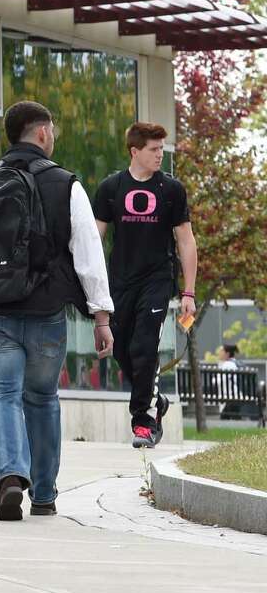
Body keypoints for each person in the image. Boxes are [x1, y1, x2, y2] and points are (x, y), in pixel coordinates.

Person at [0, 101, 113, 522]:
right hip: (45, 310)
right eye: (51, 129)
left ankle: (10, 477)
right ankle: (45, 493)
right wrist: (101, 315)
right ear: (41, 134)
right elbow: (89, 254)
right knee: (42, 397)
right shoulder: (66, 184)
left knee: (0, 394)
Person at [93, 122, 197, 449]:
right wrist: (92, 289)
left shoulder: (172, 189)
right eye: (154, 149)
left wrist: (189, 292)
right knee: (123, 349)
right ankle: (156, 399)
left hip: (157, 280)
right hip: (120, 283)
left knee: (144, 346)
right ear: (134, 151)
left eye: (161, 148)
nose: (159, 155)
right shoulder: (111, 188)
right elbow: (95, 240)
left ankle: (142, 420)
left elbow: (186, 241)